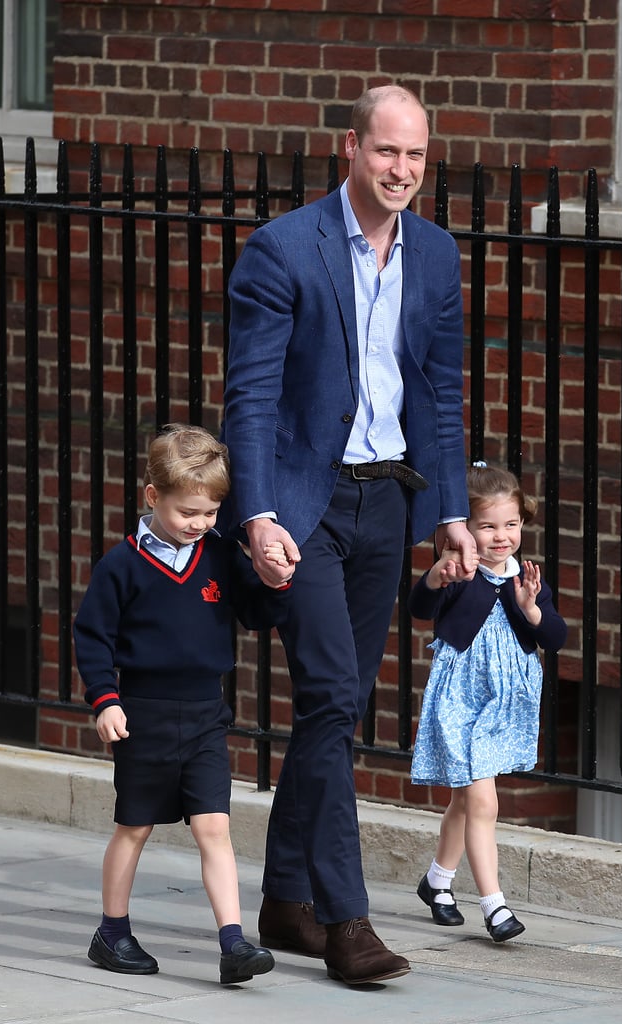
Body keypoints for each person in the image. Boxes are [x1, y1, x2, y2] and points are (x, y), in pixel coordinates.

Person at [221, 84, 476, 986]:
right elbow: (249, 398)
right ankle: (344, 918)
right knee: (331, 696)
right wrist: (255, 516)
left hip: (387, 504)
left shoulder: (437, 256)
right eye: (386, 152)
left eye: (415, 156)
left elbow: (439, 394)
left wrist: (449, 510)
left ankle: (284, 898)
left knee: (337, 707)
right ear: (352, 149)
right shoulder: (282, 249)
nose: (401, 171)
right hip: (305, 507)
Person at [73, 424, 291, 986]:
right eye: (187, 512)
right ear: (152, 497)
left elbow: (258, 615)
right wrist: (105, 700)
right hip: (142, 714)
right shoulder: (121, 564)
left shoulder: (219, 553)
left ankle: (233, 944)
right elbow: (92, 635)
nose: (199, 523)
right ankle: (112, 932)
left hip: (204, 716)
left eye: (211, 512)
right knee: (134, 827)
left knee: (214, 827)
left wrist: (276, 581)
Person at [409, 463, 567, 941]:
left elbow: (555, 637)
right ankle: (495, 906)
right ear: (466, 529)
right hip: (461, 696)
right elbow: (420, 608)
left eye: (511, 524)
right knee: (483, 801)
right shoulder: (461, 570)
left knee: (466, 797)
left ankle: (437, 882)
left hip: (504, 701)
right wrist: (437, 576)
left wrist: (532, 609)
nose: (502, 537)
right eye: (488, 526)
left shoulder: (527, 578)